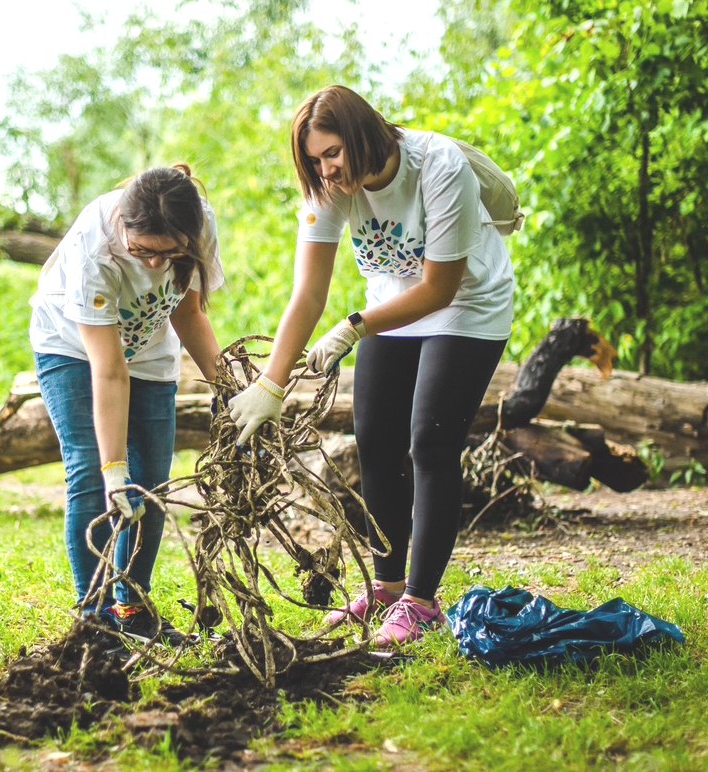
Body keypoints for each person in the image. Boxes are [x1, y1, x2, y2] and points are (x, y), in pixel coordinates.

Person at [228, 85, 514, 648]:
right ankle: (387, 584)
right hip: (392, 305)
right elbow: (308, 293)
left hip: (467, 306)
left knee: (430, 442)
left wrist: (353, 326)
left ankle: (422, 602)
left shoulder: (437, 165)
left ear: (361, 137)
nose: (325, 170)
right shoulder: (330, 188)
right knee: (375, 439)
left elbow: (440, 287)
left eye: (332, 153)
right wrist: (272, 383)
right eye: (313, 160)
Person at [29, 164, 224, 646]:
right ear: (123, 228)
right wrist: (113, 467)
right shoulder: (95, 246)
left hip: (151, 351)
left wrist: (231, 390)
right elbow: (109, 369)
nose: (156, 266)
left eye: (169, 254)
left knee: (152, 485)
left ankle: (132, 608)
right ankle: (93, 621)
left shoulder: (200, 223)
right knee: (91, 472)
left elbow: (189, 312)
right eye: (143, 252)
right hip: (72, 348)